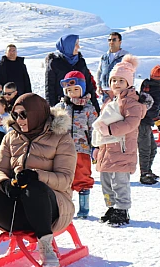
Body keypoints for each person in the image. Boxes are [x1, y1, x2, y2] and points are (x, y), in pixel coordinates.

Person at [0, 93, 76, 267]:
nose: (19, 120)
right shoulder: (11, 137)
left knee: (34, 188)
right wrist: (4, 183)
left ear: (36, 114)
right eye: (16, 115)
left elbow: (65, 179)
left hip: (50, 210)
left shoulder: (61, 138)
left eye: (23, 115)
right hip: (17, 212)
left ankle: (45, 246)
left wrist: (36, 175)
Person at [92, 55, 145, 227]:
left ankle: (122, 209)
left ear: (128, 83)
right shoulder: (110, 101)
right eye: (113, 80)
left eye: (120, 80)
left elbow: (131, 123)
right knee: (106, 181)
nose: (116, 83)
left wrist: (109, 129)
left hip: (122, 148)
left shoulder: (132, 103)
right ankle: (111, 206)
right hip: (106, 148)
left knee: (120, 181)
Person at [53, 71, 98, 218]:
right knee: (64, 177)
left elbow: (94, 129)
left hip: (82, 149)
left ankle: (84, 208)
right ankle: (65, 208)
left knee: (83, 176)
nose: (72, 93)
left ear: (83, 89)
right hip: (63, 149)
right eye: (69, 90)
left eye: (76, 89)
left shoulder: (89, 109)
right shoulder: (60, 107)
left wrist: (95, 146)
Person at [45, 34, 100, 113]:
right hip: (63, 107)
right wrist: (51, 111)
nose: (78, 47)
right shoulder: (54, 63)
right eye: (76, 44)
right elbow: (50, 90)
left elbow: (89, 85)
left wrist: (96, 108)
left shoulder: (81, 61)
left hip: (82, 108)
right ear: (68, 46)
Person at [138, 65, 160, 184]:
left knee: (152, 148)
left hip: (143, 121)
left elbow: (149, 106)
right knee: (146, 149)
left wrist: (158, 113)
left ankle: (148, 171)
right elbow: (151, 110)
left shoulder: (147, 85)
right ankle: (144, 174)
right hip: (143, 123)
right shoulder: (157, 92)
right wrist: (159, 123)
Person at [96, 32, 129, 104]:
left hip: (119, 91)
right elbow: (99, 72)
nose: (111, 42)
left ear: (120, 42)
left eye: (114, 40)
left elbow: (130, 73)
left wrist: (127, 89)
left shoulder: (125, 56)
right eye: (109, 40)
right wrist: (99, 86)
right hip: (106, 91)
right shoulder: (104, 57)